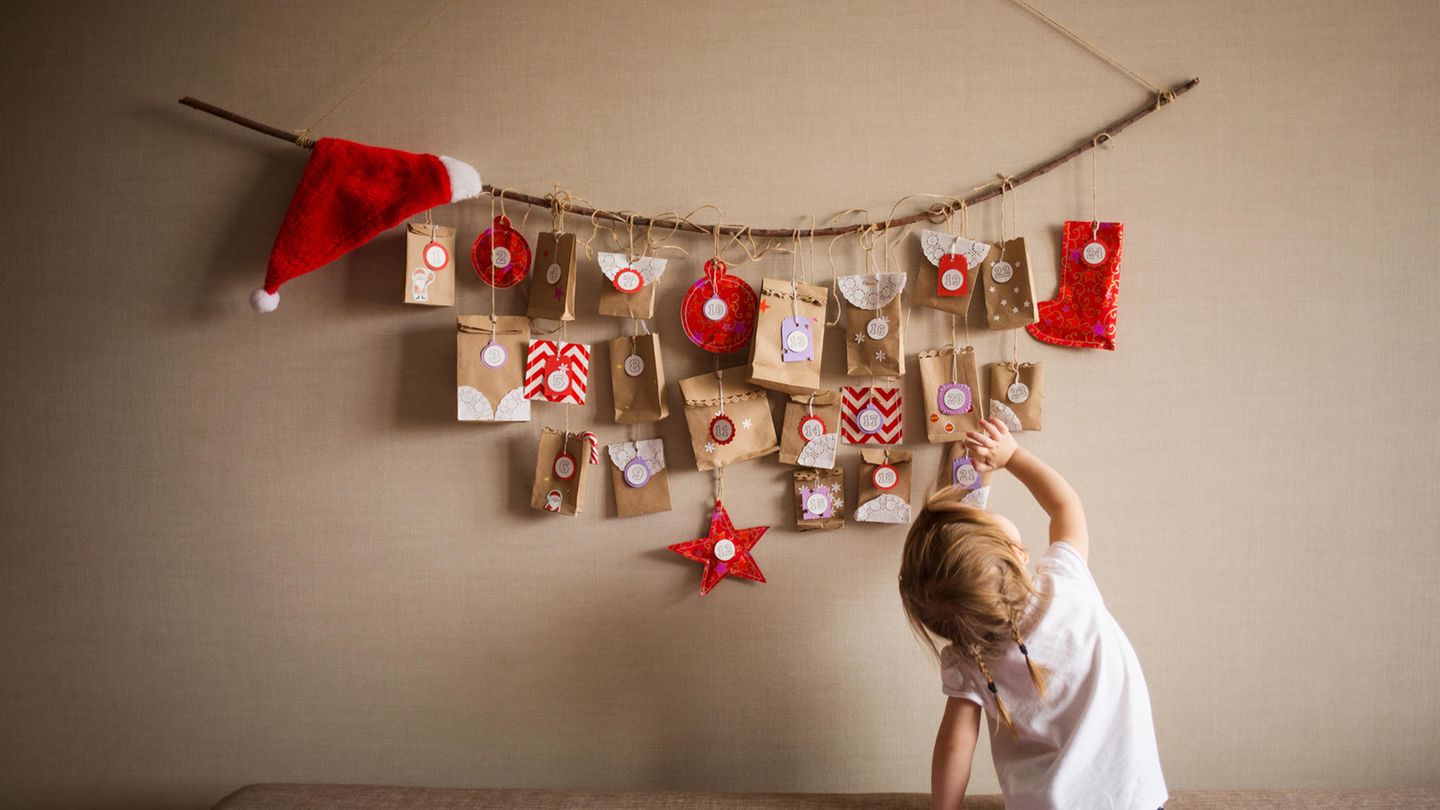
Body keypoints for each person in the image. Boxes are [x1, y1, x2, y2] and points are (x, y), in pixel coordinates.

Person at [898, 417, 1166, 810]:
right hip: (1134, 798)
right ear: (1019, 554)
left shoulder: (967, 659)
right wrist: (1014, 456)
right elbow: (1064, 505)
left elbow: (956, 744)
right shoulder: (1066, 583)